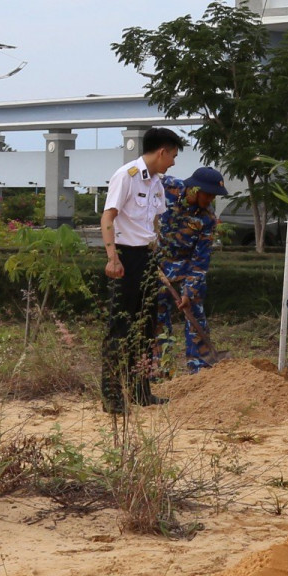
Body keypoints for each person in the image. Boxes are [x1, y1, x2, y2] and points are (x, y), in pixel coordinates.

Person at [100, 127, 184, 413]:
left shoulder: (156, 183)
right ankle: (112, 397)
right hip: (125, 257)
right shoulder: (127, 176)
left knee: (146, 326)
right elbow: (108, 216)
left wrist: (155, 250)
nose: (172, 161)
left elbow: (154, 221)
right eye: (172, 155)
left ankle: (140, 390)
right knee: (120, 326)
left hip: (146, 258)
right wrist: (113, 258)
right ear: (162, 151)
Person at [155, 166, 227, 375]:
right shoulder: (167, 188)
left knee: (195, 314)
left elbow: (200, 260)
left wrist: (189, 292)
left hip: (187, 265)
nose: (210, 200)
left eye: (214, 196)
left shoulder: (208, 219)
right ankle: (160, 369)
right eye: (208, 194)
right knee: (157, 315)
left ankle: (199, 369)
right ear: (194, 189)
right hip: (158, 263)